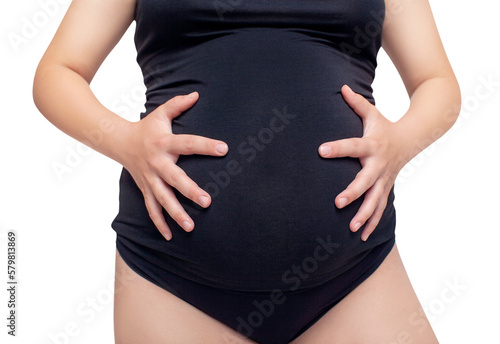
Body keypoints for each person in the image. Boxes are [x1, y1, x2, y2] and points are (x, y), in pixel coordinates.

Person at [33, 0, 461, 343]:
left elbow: (436, 81)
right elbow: (58, 72)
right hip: (173, 276)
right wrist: (125, 142)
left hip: (353, 272)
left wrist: (400, 143)